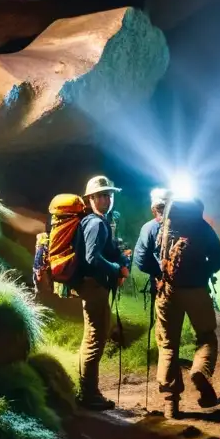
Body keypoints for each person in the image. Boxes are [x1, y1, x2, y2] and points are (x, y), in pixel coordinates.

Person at [134, 187, 220, 419]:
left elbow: (140, 260)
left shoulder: (150, 228)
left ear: (155, 207)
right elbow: (219, 257)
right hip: (197, 290)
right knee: (206, 336)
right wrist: (204, 272)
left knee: (168, 344)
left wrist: (159, 274)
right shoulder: (199, 225)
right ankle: (199, 371)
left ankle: (170, 404)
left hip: (167, 291)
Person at [72, 175, 131, 411]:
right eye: (101, 195)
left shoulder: (97, 221)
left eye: (109, 195)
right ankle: (89, 394)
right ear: (91, 199)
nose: (107, 199)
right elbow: (91, 258)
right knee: (95, 338)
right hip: (93, 286)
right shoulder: (95, 223)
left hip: (94, 286)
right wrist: (116, 268)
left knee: (93, 336)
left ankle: (87, 391)